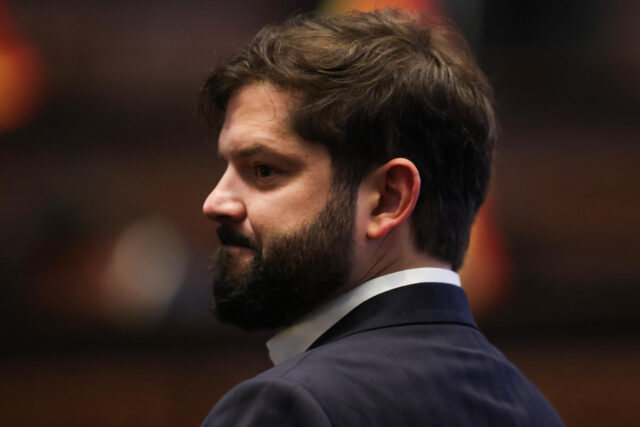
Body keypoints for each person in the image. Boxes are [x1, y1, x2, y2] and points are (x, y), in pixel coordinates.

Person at [199, 9, 563, 426]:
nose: (215, 202)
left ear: (388, 198)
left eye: (264, 170)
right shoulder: (536, 412)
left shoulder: (287, 407)